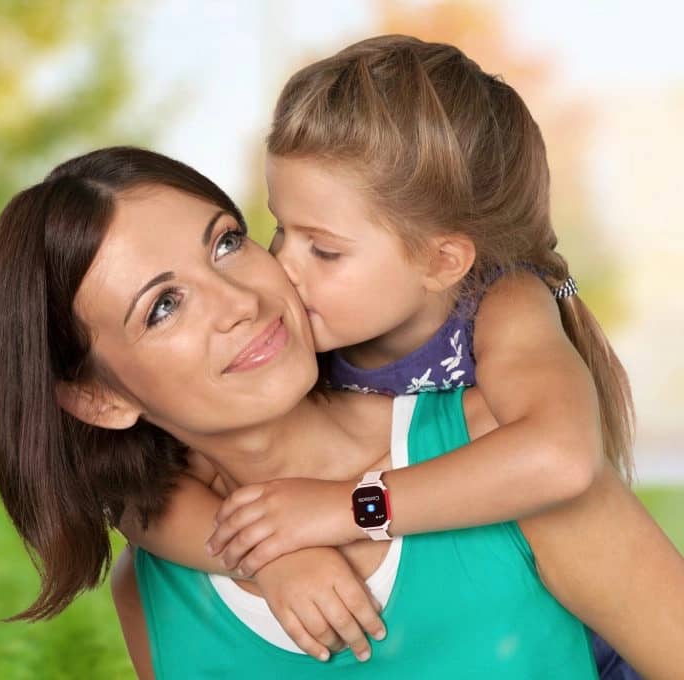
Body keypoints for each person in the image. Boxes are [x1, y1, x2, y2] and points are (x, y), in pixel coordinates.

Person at [0, 146, 684, 679]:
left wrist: (349, 511)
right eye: (163, 306)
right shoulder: (154, 591)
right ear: (98, 398)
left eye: (226, 242)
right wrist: (274, 552)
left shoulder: (501, 453)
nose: (240, 302)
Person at [134, 35, 638, 676]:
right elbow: (136, 492)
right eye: (280, 229)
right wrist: (271, 554)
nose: (283, 266)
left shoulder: (504, 304)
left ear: (442, 261)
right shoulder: (298, 341)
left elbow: (561, 458)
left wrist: (345, 508)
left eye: (324, 250)